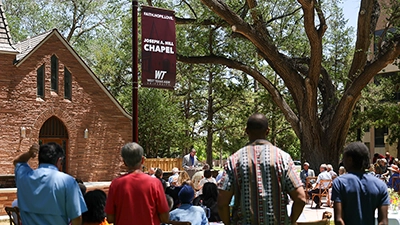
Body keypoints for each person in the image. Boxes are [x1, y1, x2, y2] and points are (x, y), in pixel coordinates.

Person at [217, 113, 306, 224]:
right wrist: (291, 221)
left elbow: (222, 202)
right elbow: (301, 198)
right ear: (267, 131)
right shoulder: (283, 158)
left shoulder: (234, 160)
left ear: (246, 131)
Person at [13, 143, 87, 225]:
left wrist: (30, 153)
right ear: (59, 160)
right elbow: (76, 217)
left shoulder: (24, 177)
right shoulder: (68, 181)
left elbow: (17, 162)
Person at [105, 142, 170, 225]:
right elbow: (165, 217)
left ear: (124, 162)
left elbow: (110, 218)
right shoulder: (155, 183)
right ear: (142, 160)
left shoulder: (115, 184)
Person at [332, 142, 389, 225]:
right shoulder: (380, 185)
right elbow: (383, 222)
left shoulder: (339, 182)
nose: (342, 161)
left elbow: (338, 220)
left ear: (350, 160)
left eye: (343, 158)